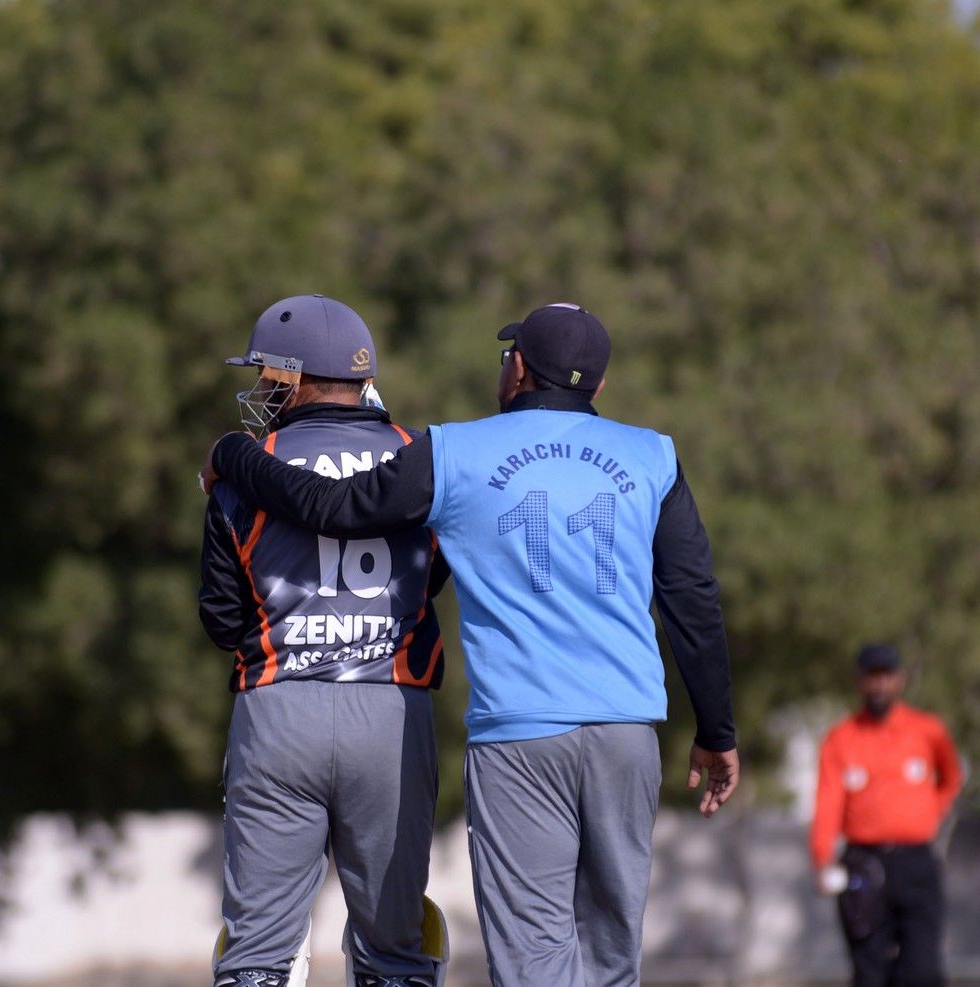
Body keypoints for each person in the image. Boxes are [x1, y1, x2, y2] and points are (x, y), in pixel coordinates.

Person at [201, 302, 740, 987]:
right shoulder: (653, 454)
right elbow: (693, 598)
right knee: (607, 957)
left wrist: (233, 455)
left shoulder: (456, 452)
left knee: (530, 957)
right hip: (620, 728)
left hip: (512, 731)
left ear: (518, 368)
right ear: (600, 384)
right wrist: (716, 729)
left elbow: (330, 513)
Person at [199, 294, 451, 987]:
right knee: (395, 955)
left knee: (257, 957)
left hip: (279, 711)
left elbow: (222, 620)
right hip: (391, 709)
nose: (260, 390)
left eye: (266, 375)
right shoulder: (420, 458)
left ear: (293, 377)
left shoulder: (247, 467)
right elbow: (433, 578)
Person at [811, 643, 963, 987]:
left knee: (922, 971)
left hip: (916, 863)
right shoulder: (841, 738)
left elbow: (951, 777)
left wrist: (930, 811)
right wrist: (822, 858)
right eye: (872, 676)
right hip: (863, 865)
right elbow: (828, 802)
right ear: (859, 680)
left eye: (887, 676)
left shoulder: (927, 730)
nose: (880, 684)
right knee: (870, 972)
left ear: (900, 679)